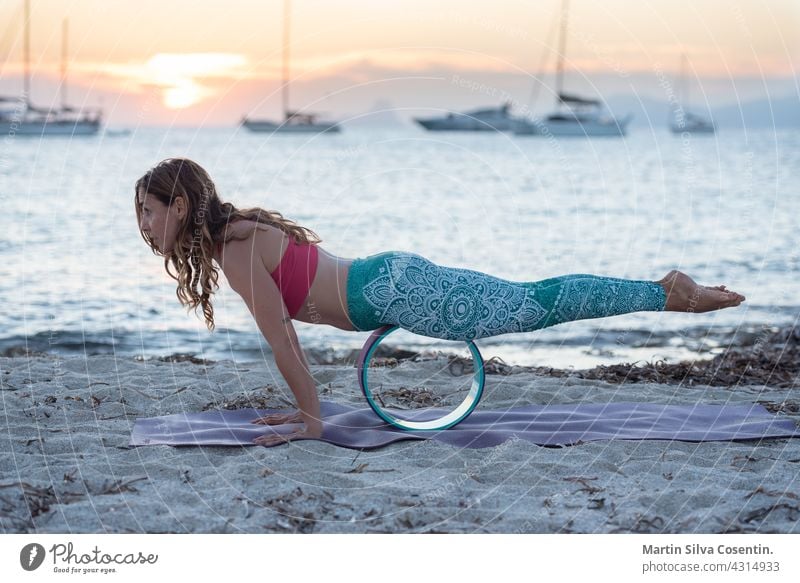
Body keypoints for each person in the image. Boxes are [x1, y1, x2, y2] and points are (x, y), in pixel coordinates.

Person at [135, 158, 746, 446]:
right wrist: (308, 410)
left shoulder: (236, 248)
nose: (142, 221)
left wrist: (312, 419)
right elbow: (289, 337)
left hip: (394, 291)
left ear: (181, 205)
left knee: (534, 305)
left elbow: (284, 341)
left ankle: (668, 293)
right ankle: (664, 292)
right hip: (390, 283)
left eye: (148, 208)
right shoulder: (233, 241)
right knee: (532, 302)